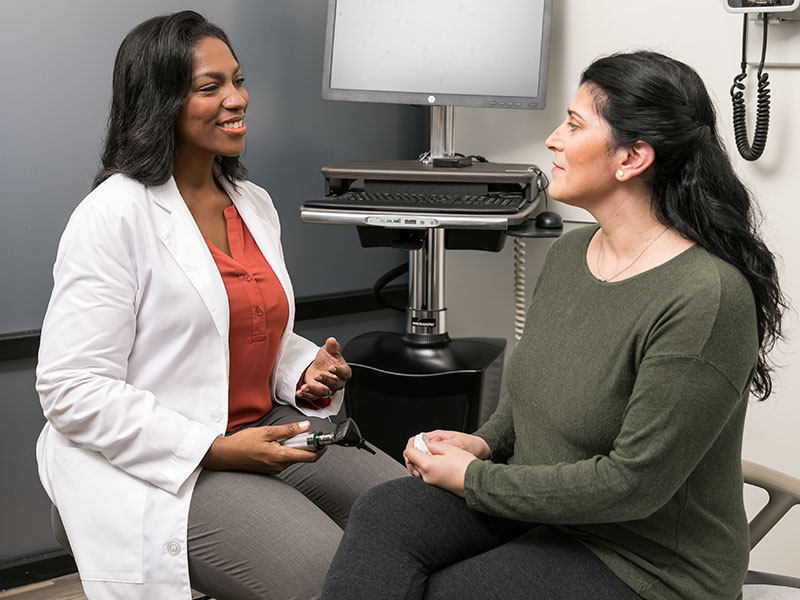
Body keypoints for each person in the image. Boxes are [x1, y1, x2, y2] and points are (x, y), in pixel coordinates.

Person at [322, 51, 785, 600]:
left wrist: (473, 479)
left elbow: (631, 486)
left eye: (573, 124)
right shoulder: (570, 255)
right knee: (386, 512)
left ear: (632, 157)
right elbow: (529, 399)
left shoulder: (705, 296)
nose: (552, 140)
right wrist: (483, 444)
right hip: (544, 509)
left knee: (451, 591)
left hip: (645, 561)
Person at [35, 11, 406, 600]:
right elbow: (69, 387)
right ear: (160, 104)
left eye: (238, 80)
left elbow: (238, 328)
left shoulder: (252, 203)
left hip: (263, 427)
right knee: (338, 577)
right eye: (211, 87)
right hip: (170, 461)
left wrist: (302, 370)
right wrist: (212, 448)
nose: (237, 99)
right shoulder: (112, 216)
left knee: (416, 520)